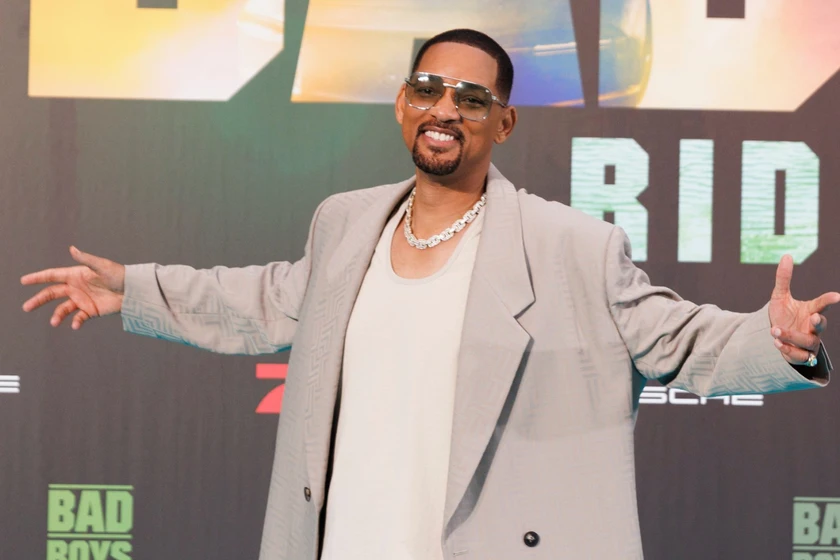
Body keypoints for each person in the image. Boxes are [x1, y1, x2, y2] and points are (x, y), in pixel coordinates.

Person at [20, 29, 837, 560]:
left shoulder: (571, 246)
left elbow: (678, 340)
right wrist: (132, 288)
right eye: (428, 88)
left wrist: (773, 340)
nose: (445, 109)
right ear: (404, 105)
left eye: (471, 98)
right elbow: (264, 300)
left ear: (502, 123)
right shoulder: (345, 223)